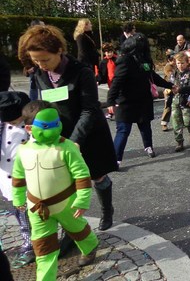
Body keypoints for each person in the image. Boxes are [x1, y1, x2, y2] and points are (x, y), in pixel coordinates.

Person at [19, 25, 118, 231]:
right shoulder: (39, 74)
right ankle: (72, 227)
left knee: (96, 175)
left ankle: (107, 210)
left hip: (88, 133)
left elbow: (89, 109)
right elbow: (40, 106)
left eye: (45, 59)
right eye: (36, 60)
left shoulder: (81, 72)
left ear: (59, 51)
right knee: (64, 182)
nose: (41, 65)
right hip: (58, 135)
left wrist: (76, 140)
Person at [13, 102, 100, 280]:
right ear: (29, 128)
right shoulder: (23, 150)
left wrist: (82, 200)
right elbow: (18, 177)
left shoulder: (66, 147)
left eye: (56, 124)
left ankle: (90, 246)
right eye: (46, 126)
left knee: (77, 230)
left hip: (66, 204)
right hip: (37, 208)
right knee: (44, 248)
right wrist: (18, 198)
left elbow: (82, 174)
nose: (53, 130)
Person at [107, 31, 174, 164]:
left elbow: (153, 77)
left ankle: (148, 146)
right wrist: (111, 101)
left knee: (145, 126)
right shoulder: (125, 60)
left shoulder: (144, 59)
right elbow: (117, 82)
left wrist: (170, 85)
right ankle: (116, 158)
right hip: (126, 101)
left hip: (143, 99)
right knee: (123, 130)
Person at [0, 91, 35, 268]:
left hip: (28, 177)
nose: (12, 124)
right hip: (7, 178)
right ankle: (28, 242)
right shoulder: (2, 126)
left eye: (14, 120)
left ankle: (37, 243)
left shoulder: (31, 127)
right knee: (20, 212)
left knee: (33, 212)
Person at [170, 52, 190, 152]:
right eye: (178, 63)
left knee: (187, 121)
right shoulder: (174, 73)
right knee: (176, 122)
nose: (180, 65)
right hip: (175, 101)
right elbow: (170, 84)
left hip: (186, 101)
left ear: (187, 63)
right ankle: (179, 142)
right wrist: (168, 89)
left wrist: (180, 89)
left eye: (182, 63)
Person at [97, 43, 118, 120]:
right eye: (107, 52)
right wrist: (98, 80)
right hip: (110, 82)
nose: (109, 54)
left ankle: (112, 112)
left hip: (118, 80)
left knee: (113, 96)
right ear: (104, 53)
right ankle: (112, 112)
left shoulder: (118, 59)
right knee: (112, 96)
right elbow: (101, 73)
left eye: (110, 52)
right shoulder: (104, 62)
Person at [160, 53, 176, 132]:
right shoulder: (168, 67)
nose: (175, 62)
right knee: (168, 106)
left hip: (175, 88)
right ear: (169, 60)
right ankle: (164, 123)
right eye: (173, 60)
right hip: (168, 89)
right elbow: (170, 77)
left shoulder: (177, 66)